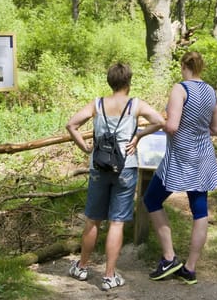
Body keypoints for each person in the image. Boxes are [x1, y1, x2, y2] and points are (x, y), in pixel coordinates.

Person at [66, 62, 165, 291]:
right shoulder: (135, 105)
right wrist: (139, 135)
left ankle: (82, 267)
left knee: (93, 220)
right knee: (117, 222)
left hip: (99, 166)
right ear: (128, 81)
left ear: (109, 81)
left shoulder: (97, 104)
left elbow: (71, 125)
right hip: (126, 167)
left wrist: (85, 148)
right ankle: (109, 276)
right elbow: (160, 121)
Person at [143, 51, 217, 285]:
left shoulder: (180, 89)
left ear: (183, 66)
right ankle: (190, 268)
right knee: (200, 211)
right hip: (203, 156)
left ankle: (169, 258)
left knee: (151, 200)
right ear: (200, 67)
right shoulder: (211, 91)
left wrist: (158, 124)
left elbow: (172, 126)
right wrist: (199, 131)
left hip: (180, 157)